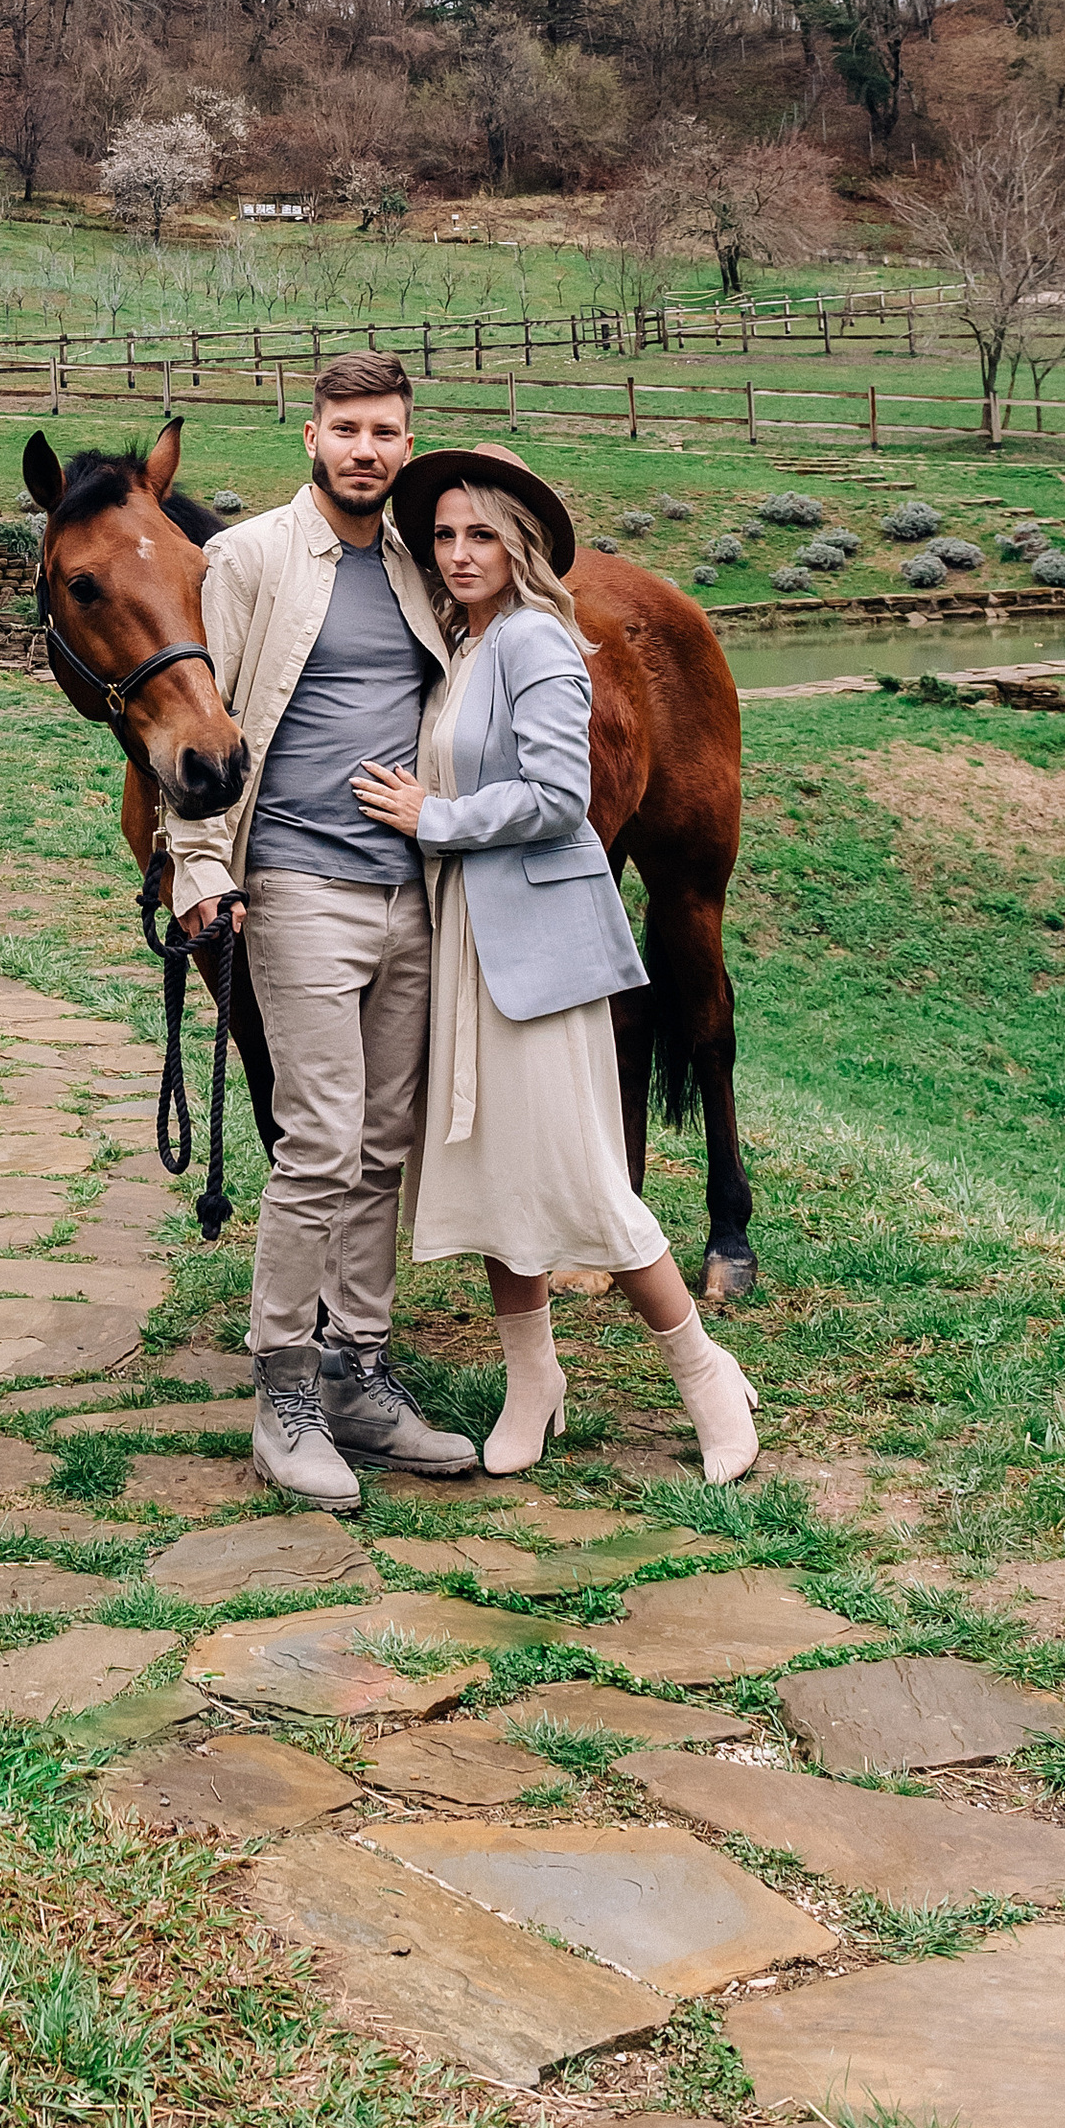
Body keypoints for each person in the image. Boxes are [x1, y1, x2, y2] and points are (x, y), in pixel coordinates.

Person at [349, 445, 761, 1484]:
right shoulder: (462, 646)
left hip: (533, 942)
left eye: (480, 533)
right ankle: (532, 1380)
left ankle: (704, 1372)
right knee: (492, 1177)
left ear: (521, 542)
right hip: (466, 946)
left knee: (584, 1180)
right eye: (442, 535)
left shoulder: (538, 639)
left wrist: (430, 816)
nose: (457, 553)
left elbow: (555, 798)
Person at [162, 353, 480, 1511]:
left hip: (410, 891)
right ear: (310, 436)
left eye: (384, 431)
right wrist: (199, 865)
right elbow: (204, 720)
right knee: (320, 1141)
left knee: (384, 1143)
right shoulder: (246, 557)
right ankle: (283, 1391)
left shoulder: (413, 562)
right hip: (296, 885)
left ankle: (360, 1374)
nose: (364, 448)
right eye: (345, 427)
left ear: (406, 442)